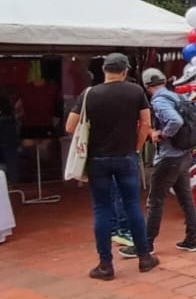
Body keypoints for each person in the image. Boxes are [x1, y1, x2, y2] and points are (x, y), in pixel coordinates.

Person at [65, 52, 157, 280]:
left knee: (102, 209)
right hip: (126, 156)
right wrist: (135, 147)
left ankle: (105, 264)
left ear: (104, 71)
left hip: (97, 159)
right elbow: (146, 123)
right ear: (125, 71)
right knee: (133, 205)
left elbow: (70, 126)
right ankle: (144, 257)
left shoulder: (89, 94)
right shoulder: (135, 91)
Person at [123, 69, 196, 257]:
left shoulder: (159, 100)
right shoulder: (178, 97)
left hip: (169, 157)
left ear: (147, 85)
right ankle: (191, 239)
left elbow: (175, 120)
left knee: (155, 200)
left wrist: (162, 134)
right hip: (184, 154)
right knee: (185, 198)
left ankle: (146, 244)